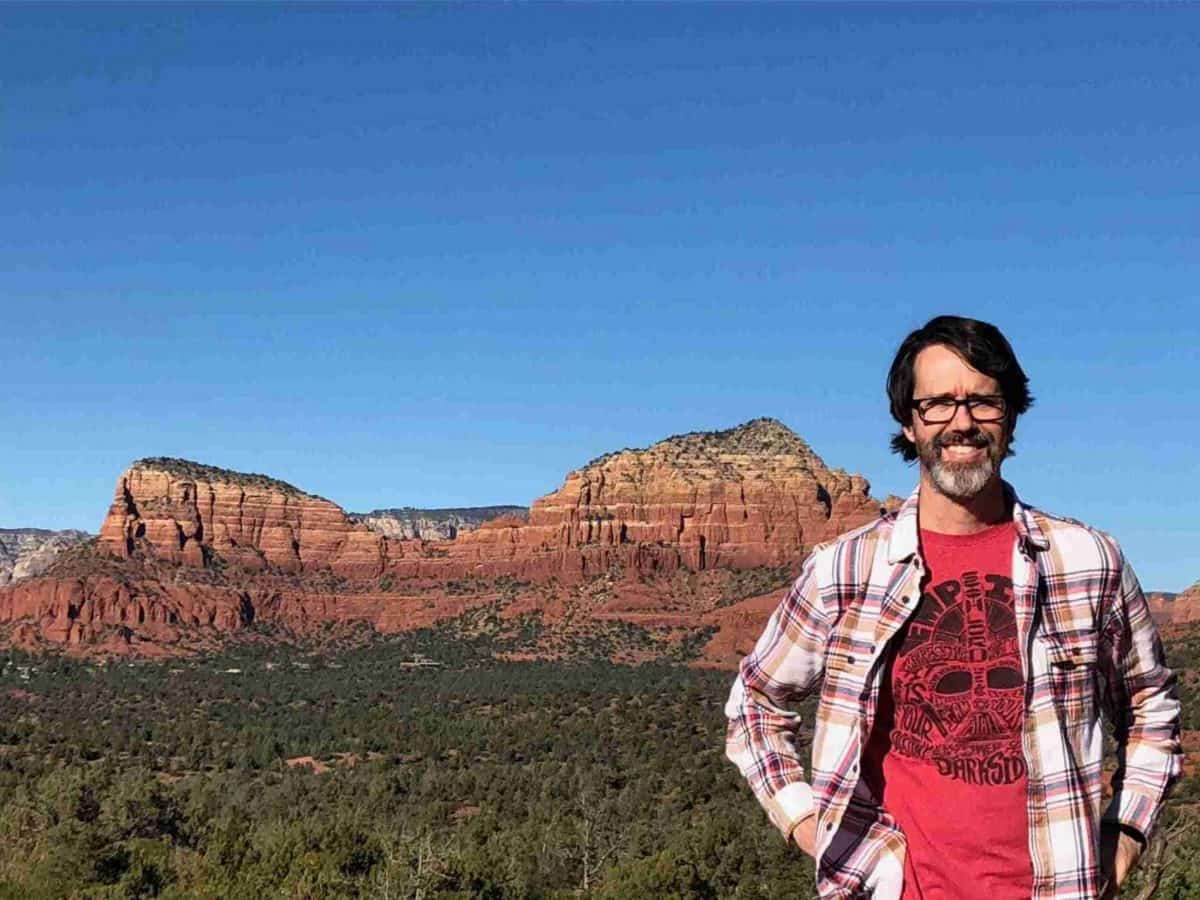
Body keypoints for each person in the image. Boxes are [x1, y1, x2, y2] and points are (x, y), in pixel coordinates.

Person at [724, 315, 1182, 900]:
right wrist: (809, 824)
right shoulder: (845, 570)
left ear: (1011, 416)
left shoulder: (1087, 561)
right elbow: (755, 702)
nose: (961, 423)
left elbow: (1151, 704)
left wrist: (1124, 834)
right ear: (909, 422)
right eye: (937, 403)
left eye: (983, 402)